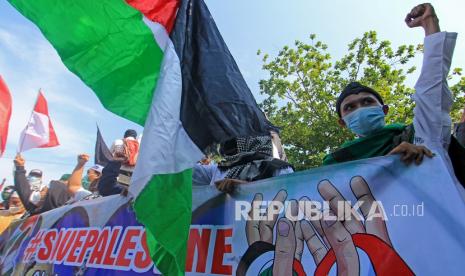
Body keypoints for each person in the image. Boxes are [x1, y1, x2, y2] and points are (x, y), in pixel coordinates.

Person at [324, 4, 459, 171]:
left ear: (384, 110)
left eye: (367, 102)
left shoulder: (417, 135)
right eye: (350, 107)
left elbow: (431, 89)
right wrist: (391, 163)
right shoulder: (336, 162)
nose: (360, 109)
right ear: (342, 122)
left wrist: (430, 22)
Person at [194, 135, 294, 193]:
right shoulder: (220, 169)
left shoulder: (279, 168)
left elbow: (290, 197)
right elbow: (183, 169)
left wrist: (243, 188)